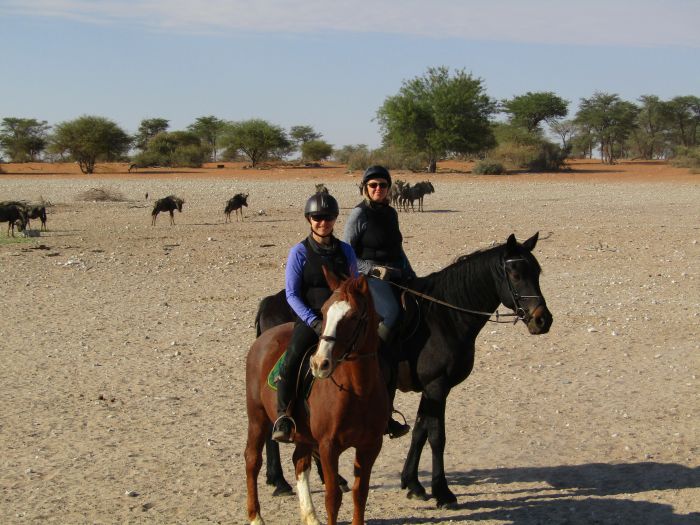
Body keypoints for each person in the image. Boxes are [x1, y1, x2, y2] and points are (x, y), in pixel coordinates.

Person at [272, 192, 359, 443]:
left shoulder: (346, 251)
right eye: (318, 217)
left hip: (342, 319)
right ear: (309, 219)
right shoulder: (298, 252)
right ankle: (284, 417)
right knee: (292, 360)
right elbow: (291, 294)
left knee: (376, 354)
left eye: (329, 217)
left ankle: (384, 413)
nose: (324, 222)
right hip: (311, 318)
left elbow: (353, 287)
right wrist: (313, 321)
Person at [343, 165, 415, 439]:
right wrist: (373, 271)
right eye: (372, 186)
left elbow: (397, 249)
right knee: (394, 314)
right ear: (364, 188)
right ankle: (377, 360)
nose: (378, 190)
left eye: (382, 186)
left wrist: (412, 274)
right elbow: (348, 254)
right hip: (368, 276)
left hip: (396, 271)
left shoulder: (392, 212)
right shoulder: (359, 214)